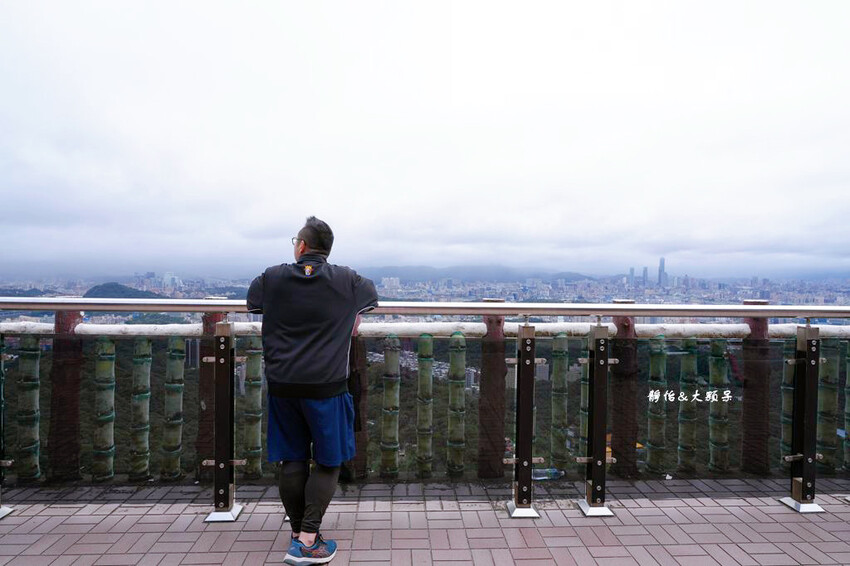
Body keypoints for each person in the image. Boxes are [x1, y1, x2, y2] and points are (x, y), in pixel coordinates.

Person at [247, 216, 378, 565]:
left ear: (301, 246)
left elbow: (254, 301)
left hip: (283, 385)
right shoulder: (349, 280)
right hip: (327, 387)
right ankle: (307, 540)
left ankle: (298, 533)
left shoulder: (271, 277)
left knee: (291, 458)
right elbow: (369, 299)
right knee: (329, 459)